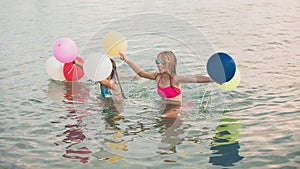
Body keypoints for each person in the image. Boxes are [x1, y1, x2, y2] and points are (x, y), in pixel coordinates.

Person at [119, 51, 215, 118]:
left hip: (176, 108)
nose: (159, 65)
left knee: (162, 118)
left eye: (163, 62)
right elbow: (141, 73)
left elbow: (195, 79)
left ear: (170, 64)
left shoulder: (174, 79)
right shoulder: (157, 76)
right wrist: (126, 59)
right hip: (164, 106)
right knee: (141, 116)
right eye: (157, 62)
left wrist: (213, 79)